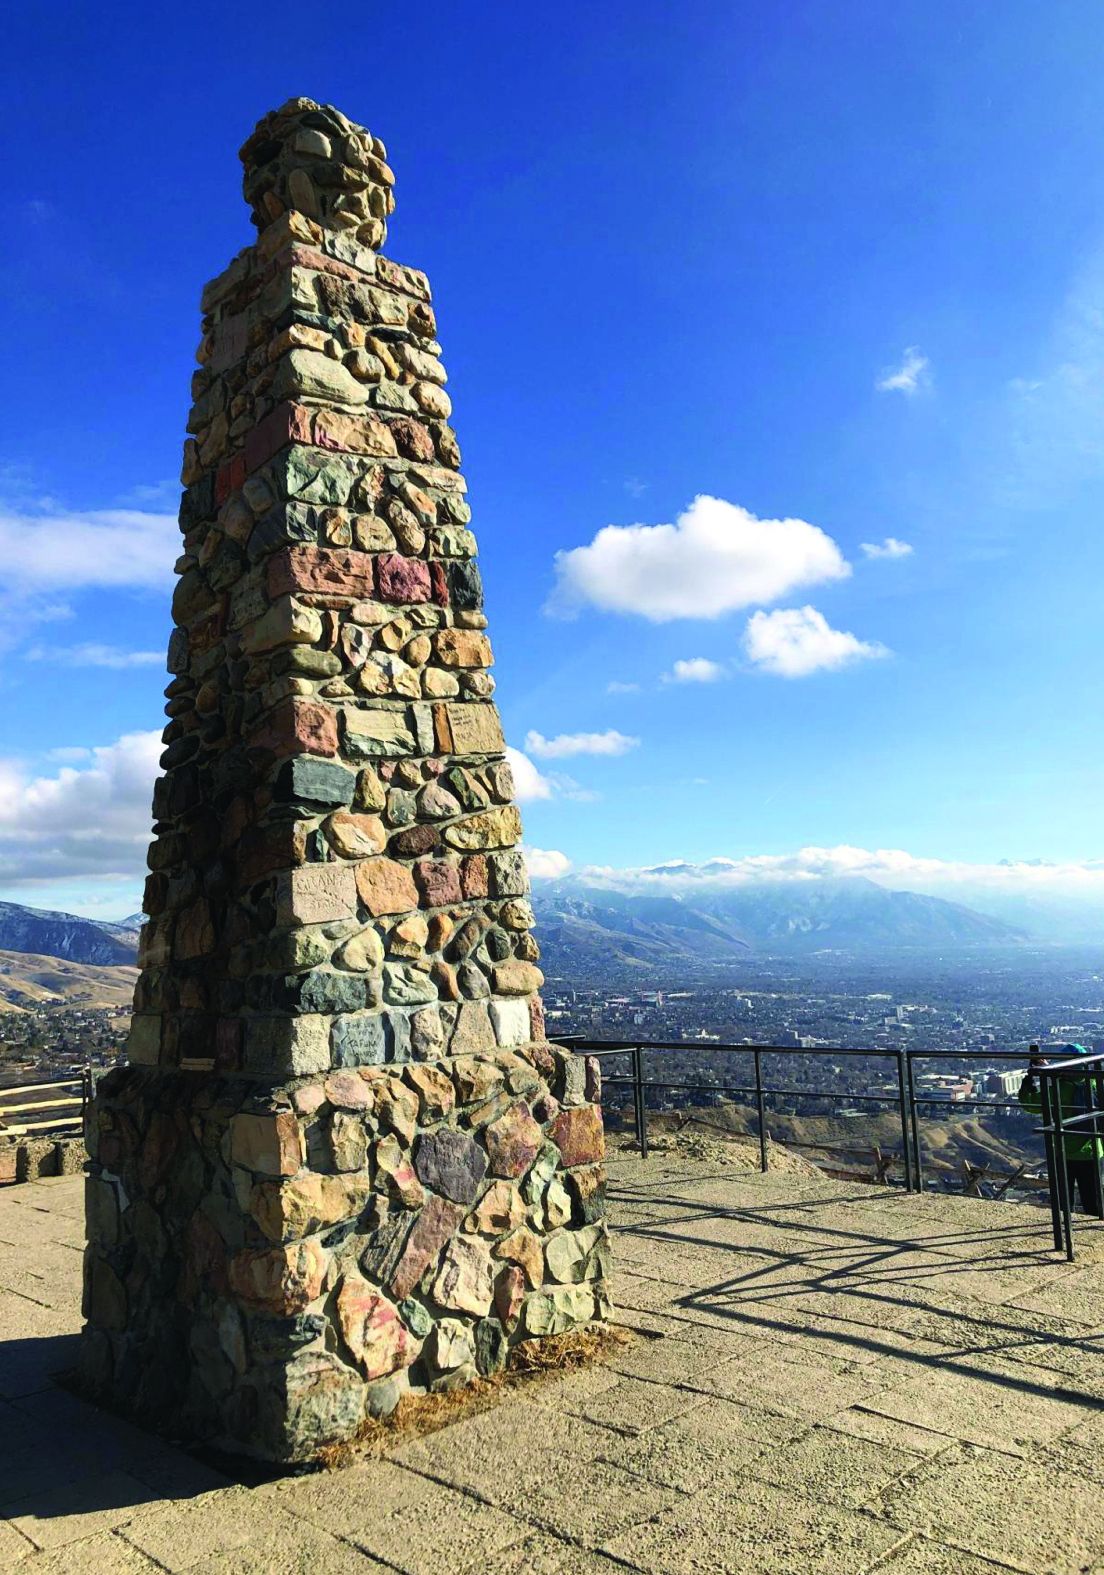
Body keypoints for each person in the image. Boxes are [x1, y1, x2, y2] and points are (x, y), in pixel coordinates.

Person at [1019, 1043, 1104, 1215]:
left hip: (1065, 1151)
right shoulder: (1095, 1082)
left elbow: (1030, 1103)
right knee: (1093, 1200)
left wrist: (1031, 1079)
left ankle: (1065, 1233)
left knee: (1064, 1201)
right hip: (1093, 1150)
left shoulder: (1060, 1088)